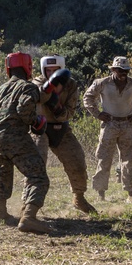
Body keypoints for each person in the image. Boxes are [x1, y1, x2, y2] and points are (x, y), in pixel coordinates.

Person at [0, 52, 56, 234]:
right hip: (15, 137)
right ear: (28, 67)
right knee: (38, 176)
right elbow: (24, 108)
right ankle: (29, 218)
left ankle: (0, 213)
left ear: (8, 68)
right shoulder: (28, 87)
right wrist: (35, 121)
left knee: (4, 172)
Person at [29, 55, 94, 214]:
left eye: (55, 70)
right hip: (40, 127)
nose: (51, 73)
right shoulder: (37, 82)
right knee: (36, 165)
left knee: (77, 160)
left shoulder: (71, 85)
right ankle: (29, 206)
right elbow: (37, 96)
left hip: (60, 127)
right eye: (48, 70)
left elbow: (69, 113)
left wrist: (57, 107)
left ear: (61, 70)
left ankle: (79, 198)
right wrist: (49, 88)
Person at [82, 56, 132, 203]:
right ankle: (101, 194)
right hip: (109, 124)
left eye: (126, 70)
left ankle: (131, 194)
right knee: (104, 158)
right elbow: (87, 97)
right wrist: (98, 114)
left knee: (128, 160)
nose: (123, 73)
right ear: (113, 70)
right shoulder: (102, 83)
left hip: (127, 124)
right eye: (120, 70)